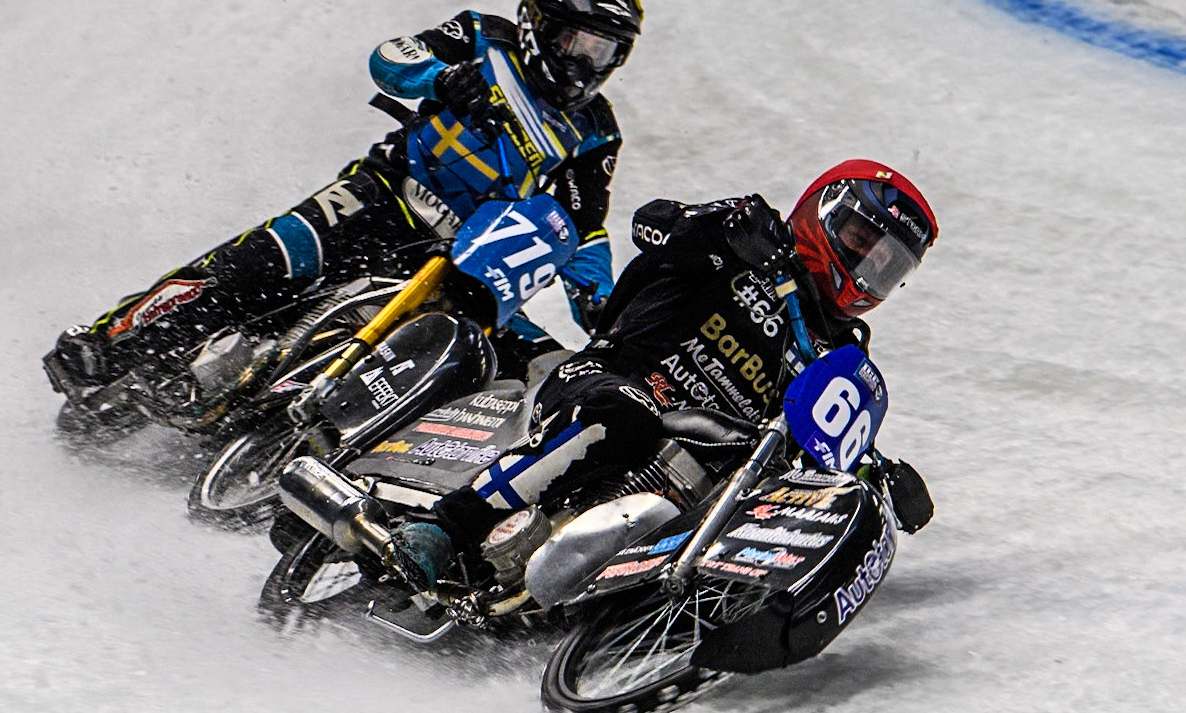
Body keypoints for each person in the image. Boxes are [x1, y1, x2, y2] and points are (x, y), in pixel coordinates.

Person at [44, 0, 644, 427]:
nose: (584, 64)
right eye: (577, 42)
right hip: (383, 196)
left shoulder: (596, 132)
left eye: (604, 51)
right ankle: (109, 343)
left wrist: (606, 312)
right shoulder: (483, 38)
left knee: (494, 370)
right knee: (264, 259)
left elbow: (583, 227)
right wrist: (442, 78)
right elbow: (390, 57)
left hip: (463, 260)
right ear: (538, 21)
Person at [385, 160, 941, 589]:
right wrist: (717, 231)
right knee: (626, 419)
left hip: (693, 468)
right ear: (824, 213)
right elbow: (652, 225)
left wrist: (876, 479)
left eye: (887, 264)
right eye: (861, 240)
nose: (868, 267)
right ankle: (447, 526)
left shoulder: (840, 351)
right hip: (608, 383)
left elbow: (817, 437)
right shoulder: (749, 235)